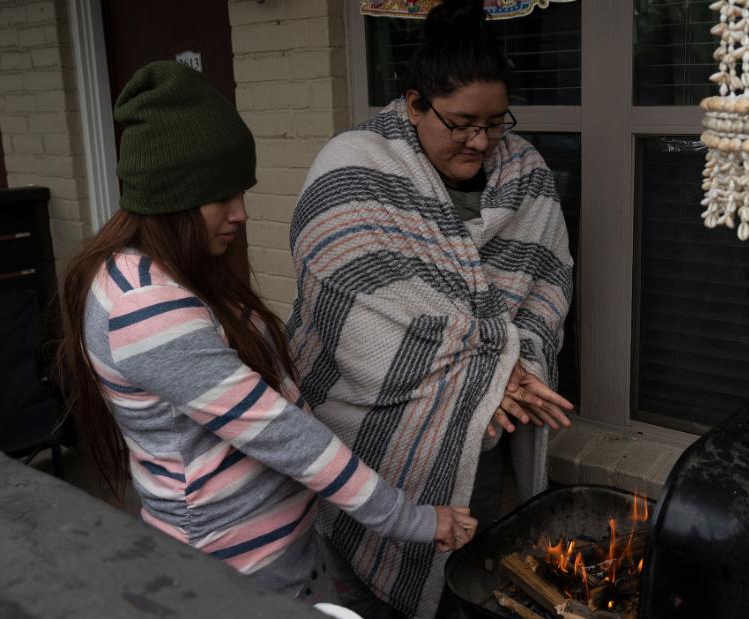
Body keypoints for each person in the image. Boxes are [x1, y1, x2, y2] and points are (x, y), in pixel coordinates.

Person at [57, 61, 476, 605]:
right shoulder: (148, 305)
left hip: (277, 558)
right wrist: (413, 520)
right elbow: (280, 432)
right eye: (223, 197)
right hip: (233, 575)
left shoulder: (160, 271)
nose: (241, 214)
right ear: (173, 197)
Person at [286, 1, 575, 616]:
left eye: (496, 123)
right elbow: (350, 289)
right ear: (415, 103)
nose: (480, 142)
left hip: (481, 439)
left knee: (467, 578)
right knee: (362, 596)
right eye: (462, 123)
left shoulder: (525, 174)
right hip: (366, 435)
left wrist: (507, 371)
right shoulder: (355, 163)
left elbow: (546, 286)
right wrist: (489, 372)